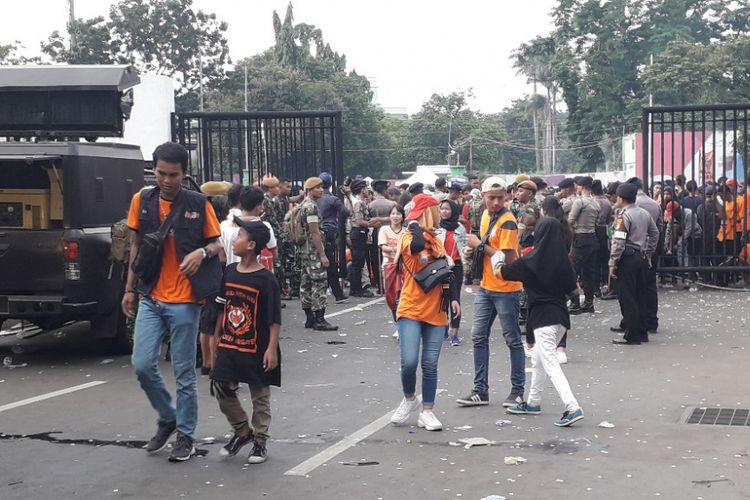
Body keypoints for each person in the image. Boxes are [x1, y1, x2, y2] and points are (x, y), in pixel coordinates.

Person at [122, 142, 222, 462]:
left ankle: (186, 435)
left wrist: (200, 252)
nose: (166, 180)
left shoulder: (197, 203)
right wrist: (129, 289)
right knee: (141, 364)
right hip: (151, 296)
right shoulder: (143, 200)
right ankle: (168, 416)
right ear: (154, 170)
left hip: (185, 301)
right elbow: (135, 246)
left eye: (173, 175)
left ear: (184, 173)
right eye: (160, 173)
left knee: (183, 373)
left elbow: (217, 244)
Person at [496, 218, 584, 427]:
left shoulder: (530, 260)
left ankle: (572, 407)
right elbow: (573, 290)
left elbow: (503, 273)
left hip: (543, 318)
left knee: (550, 363)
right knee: (538, 360)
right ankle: (533, 403)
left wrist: (497, 256)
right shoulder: (565, 261)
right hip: (560, 318)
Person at [211, 219, 280, 464]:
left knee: (259, 396)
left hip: (258, 345)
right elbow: (222, 306)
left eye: (239, 235)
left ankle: (260, 442)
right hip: (230, 342)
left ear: (251, 245)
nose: (234, 239)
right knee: (219, 385)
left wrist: (272, 349)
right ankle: (242, 430)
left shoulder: (266, 279)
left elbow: (274, 318)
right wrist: (217, 336)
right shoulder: (229, 271)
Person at [389, 194, 460, 431]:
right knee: (409, 362)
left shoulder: (438, 240)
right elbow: (417, 247)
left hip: (437, 310)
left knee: (430, 364)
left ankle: (427, 411)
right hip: (411, 307)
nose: (440, 213)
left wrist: (454, 299)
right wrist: (414, 223)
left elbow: (449, 272)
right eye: (435, 210)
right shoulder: (408, 237)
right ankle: (409, 399)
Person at [457, 177, 525, 408]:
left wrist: (477, 245)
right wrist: (474, 249)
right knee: (478, 337)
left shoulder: (507, 221)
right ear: (483, 196)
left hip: (506, 289)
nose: (495, 202)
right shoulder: (487, 216)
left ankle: (517, 391)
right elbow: (488, 249)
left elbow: (507, 258)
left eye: (500, 197)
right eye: (491, 197)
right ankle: (480, 391)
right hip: (487, 287)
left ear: (507, 196)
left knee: (513, 340)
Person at [609, 183, 659, 345]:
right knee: (640, 295)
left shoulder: (623, 216)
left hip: (627, 257)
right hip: (640, 256)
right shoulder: (644, 213)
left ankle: (632, 334)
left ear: (621, 199)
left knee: (627, 297)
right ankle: (642, 331)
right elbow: (655, 233)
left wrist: (613, 262)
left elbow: (618, 241)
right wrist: (649, 252)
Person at [299, 177, 338, 331]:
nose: (321, 190)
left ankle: (309, 318)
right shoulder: (311, 207)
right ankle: (319, 319)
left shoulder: (302, 204)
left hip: (304, 251)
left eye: (321, 187)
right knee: (320, 283)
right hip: (313, 251)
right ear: (309, 190)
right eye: (317, 187)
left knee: (306, 283)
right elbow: (314, 232)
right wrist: (322, 254)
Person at [628, 177, 662, 333]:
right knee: (649, 285)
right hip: (651, 249)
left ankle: (636, 321)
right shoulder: (655, 204)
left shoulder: (633, 207)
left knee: (634, 287)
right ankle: (651, 320)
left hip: (635, 249)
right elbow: (659, 228)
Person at [349, 179, 389, 297]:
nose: (367, 191)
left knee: (360, 261)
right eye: (365, 189)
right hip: (358, 232)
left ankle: (356, 287)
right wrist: (372, 224)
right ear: (362, 190)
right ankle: (356, 288)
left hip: (360, 232)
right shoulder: (358, 203)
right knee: (358, 262)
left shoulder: (360, 202)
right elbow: (359, 220)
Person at [567, 176, 600, 314]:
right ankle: (588, 303)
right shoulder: (596, 203)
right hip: (592, 238)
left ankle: (574, 303)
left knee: (571, 270)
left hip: (580, 238)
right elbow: (597, 222)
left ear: (582, 187)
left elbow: (570, 220)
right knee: (589, 272)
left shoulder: (579, 202)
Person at [436, 199, 466, 346]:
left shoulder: (460, 228)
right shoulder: (437, 228)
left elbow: (465, 248)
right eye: (442, 209)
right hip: (441, 266)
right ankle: (444, 328)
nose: (444, 212)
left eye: (447, 209)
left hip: (456, 267)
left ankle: (454, 333)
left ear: (453, 211)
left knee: (455, 298)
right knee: (443, 298)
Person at [317, 172, 350, 303]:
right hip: (329, 232)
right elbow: (347, 212)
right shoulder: (333, 199)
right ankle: (337, 293)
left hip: (316, 231)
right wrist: (348, 196)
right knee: (330, 263)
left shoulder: (313, 199)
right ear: (330, 184)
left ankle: (324, 291)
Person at [379, 205, 406, 337]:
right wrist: (398, 250)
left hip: (405, 267)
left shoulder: (406, 232)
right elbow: (383, 247)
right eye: (393, 213)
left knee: (402, 296)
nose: (395, 216)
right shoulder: (384, 229)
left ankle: (402, 327)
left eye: (398, 214)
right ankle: (397, 324)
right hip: (389, 266)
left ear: (403, 216)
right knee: (391, 296)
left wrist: (395, 249)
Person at [369, 180, 397, 293]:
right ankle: (391, 283)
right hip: (390, 233)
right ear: (384, 190)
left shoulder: (370, 205)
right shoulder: (392, 204)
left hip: (375, 233)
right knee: (390, 258)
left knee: (376, 259)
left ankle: (380, 285)